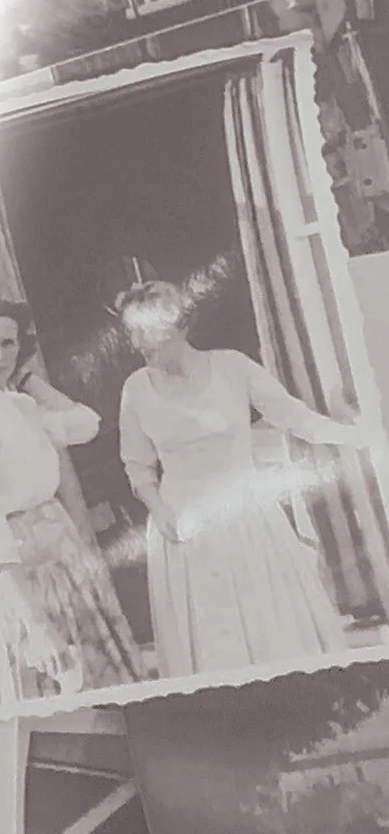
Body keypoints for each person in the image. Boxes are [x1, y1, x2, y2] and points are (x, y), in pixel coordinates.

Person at [116, 275, 373, 676]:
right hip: (183, 524)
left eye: (145, 331)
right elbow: (137, 463)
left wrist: (359, 437)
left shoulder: (231, 366)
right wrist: (158, 507)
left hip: (246, 516)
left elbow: (294, 417)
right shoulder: (136, 388)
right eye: (132, 332)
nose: (136, 343)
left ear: (178, 326)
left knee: (273, 631)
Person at [0, 300, 139, 701]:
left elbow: (85, 424)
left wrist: (31, 384)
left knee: (114, 683)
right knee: (70, 694)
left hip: (67, 562)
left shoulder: (17, 405)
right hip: (27, 577)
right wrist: (37, 628)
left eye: (9, 343)